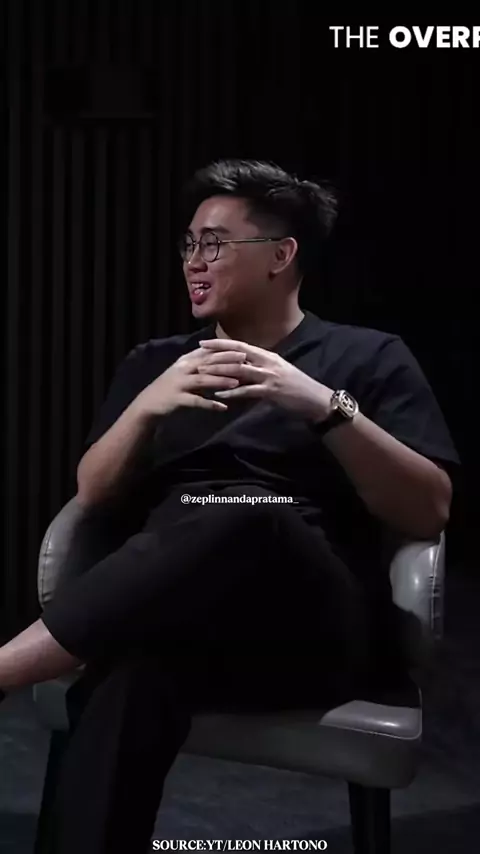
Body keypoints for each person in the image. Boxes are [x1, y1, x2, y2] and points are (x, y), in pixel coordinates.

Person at [0, 159, 459, 851]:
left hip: (311, 629)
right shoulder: (157, 362)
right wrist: (148, 406)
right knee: (126, 682)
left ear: (281, 255)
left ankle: (6, 669)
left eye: (214, 243)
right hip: (182, 621)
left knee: (247, 511)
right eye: (188, 244)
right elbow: (93, 494)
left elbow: (429, 510)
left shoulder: (367, 358)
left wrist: (324, 407)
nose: (194, 261)